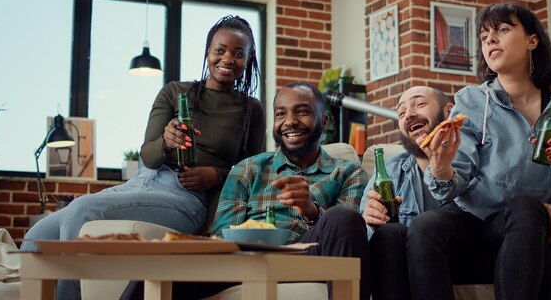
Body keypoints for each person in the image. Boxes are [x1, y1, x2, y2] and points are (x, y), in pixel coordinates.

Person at [20, 15, 266, 300]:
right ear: (207, 53)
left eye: (238, 53)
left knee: (81, 210)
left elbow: (253, 173)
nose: (227, 59)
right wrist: (166, 141)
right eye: (219, 50)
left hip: (186, 197)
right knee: (37, 235)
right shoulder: (175, 92)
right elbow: (149, 157)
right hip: (142, 183)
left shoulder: (251, 109)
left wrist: (217, 175)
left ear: (248, 60)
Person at [406, 3, 551, 300]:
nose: (490, 40)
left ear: (532, 40)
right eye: (484, 36)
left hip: (525, 220)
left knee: (525, 206)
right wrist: (442, 167)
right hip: (472, 218)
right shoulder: (471, 101)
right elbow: (454, 184)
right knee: (424, 226)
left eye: (502, 30)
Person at [121, 82, 371, 300]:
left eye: (302, 112)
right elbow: (222, 237)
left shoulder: (348, 172)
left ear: (323, 121)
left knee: (343, 217)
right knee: (160, 267)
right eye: (280, 114)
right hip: (248, 260)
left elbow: (348, 237)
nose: (290, 121)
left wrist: (310, 210)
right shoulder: (247, 169)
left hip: (308, 256)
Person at [360, 85, 452, 300]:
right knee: (389, 233)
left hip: (467, 255)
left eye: (419, 104)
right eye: (401, 113)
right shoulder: (390, 172)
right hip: (411, 264)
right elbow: (360, 240)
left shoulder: (473, 159)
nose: (409, 114)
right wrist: (370, 222)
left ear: (449, 111)